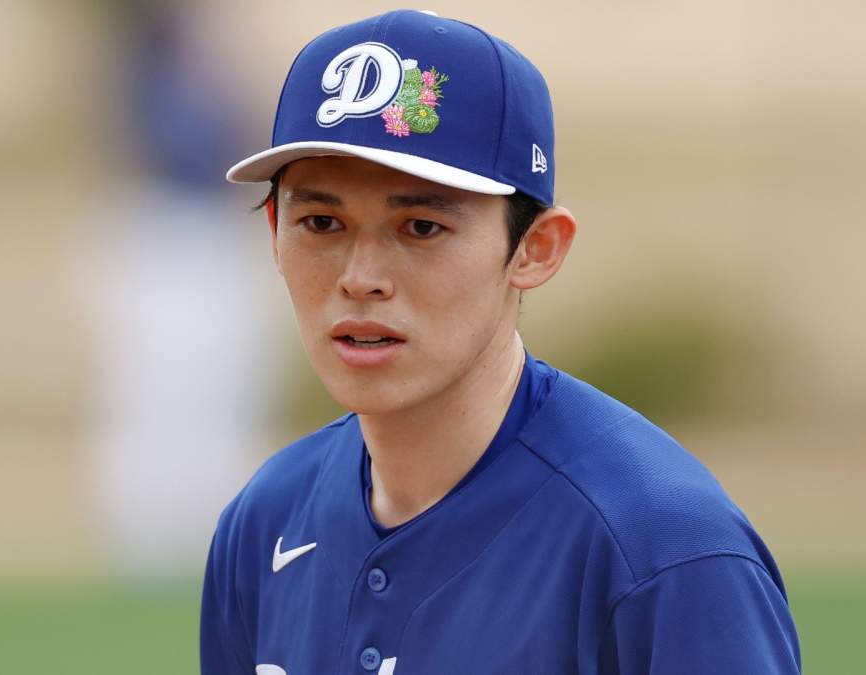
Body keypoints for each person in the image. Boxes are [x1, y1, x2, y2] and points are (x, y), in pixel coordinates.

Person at [202, 9, 801, 674]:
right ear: (274, 233)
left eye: (421, 227)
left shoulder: (660, 549)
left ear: (536, 248)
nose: (361, 277)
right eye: (321, 222)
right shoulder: (266, 520)